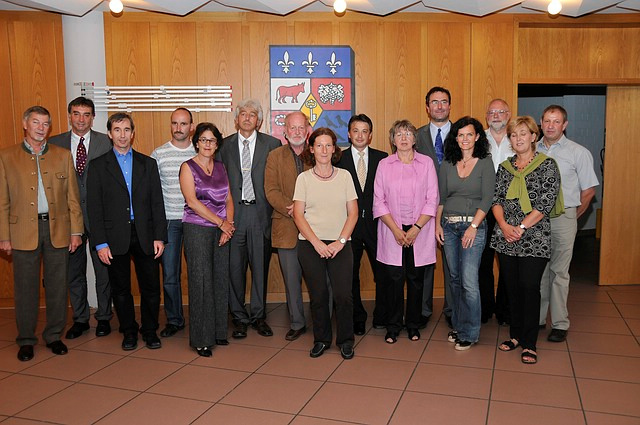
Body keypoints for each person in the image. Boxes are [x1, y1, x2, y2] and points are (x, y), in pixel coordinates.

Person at [0, 106, 83, 361]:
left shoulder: (62, 155)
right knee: (26, 288)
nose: (41, 128)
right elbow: (2, 201)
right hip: (22, 231)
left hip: (58, 230)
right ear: (25, 124)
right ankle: (26, 339)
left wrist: (76, 232)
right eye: (36, 122)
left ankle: (54, 335)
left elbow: (73, 198)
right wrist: (4, 236)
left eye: (45, 123)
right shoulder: (6, 156)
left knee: (58, 286)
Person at [87, 112, 167, 351]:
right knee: (120, 289)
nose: (122, 135)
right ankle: (129, 331)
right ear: (109, 134)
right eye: (117, 130)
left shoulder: (148, 164)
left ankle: (150, 330)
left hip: (145, 234)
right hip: (114, 237)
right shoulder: (98, 166)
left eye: (127, 130)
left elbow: (157, 203)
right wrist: (100, 243)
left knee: (151, 287)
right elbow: (94, 208)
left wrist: (159, 236)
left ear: (133, 133)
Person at [492, 115, 562, 364]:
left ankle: (529, 343)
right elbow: (496, 199)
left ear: (534, 136)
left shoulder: (547, 165)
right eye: (514, 135)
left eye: (523, 133)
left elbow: (545, 203)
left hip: (534, 237)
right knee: (511, 288)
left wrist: (521, 227)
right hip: (506, 236)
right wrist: (504, 226)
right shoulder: (505, 167)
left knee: (529, 288)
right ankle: (515, 335)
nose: (518, 138)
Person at [49, 97, 113, 339]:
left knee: (103, 270)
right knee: (74, 271)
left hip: (99, 217)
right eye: (76, 113)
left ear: (93, 118)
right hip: (68, 219)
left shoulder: (105, 142)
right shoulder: (55, 144)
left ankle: (104, 316)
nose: (81, 119)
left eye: (86, 114)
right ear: (69, 116)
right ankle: (80, 318)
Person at [293, 127, 358, 359]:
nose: (323, 150)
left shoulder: (345, 176)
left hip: (340, 244)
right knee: (319, 295)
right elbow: (298, 215)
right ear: (311, 149)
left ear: (334, 149)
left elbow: (353, 213)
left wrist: (340, 241)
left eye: (328, 145)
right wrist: (317, 243)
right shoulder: (303, 179)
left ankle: (346, 340)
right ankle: (321, 339)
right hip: (311, 245)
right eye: (319, 145)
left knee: (343, 295)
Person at [219, 98, 281, 339]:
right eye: (243, 114)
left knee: (260, 268)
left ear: (259, 121)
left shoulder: (272, 144)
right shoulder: (224, 146)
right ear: (236, 119)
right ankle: (239, 317)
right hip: (233, 215)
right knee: (234, 268)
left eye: (252, 114)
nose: (247, 118)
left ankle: (258, 316)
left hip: (260, 214)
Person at [537, 105, 599, 343]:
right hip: (535, 221)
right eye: (547, 121)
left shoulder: (578, 152)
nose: (551, 126)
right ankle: (538, 319)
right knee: (539, 271)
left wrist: (572, 216)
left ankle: (560, 323)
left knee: (559, 272)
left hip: (563, 217)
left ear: (565, 125)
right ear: (541, 123)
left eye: (556, 121)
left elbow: (589, 191)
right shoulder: (532, 149)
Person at [374, 120, 438, 344]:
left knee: (416, 279)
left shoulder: (426, 163)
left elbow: (432, 199)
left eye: (408, 134)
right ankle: (393, 326)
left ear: (414, 139)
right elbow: (378, 201)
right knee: (394, 280)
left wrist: (416, 228)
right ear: (392, 140)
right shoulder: (384, 165)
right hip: (392, 229)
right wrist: (395, 230)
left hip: (419, 229)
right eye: (399, 134)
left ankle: (413, 324)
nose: (403, 138)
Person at [435, 116, 495, 351]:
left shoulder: (485, 162)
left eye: (469, 134)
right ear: (455, 138)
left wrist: (473, 227)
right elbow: (441, 199)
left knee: (469, 282)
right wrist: (437, 225)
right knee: (455, 279)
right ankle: (459, 327)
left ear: (477, 137)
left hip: (474, 227)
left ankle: (470, 333)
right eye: (460, 135)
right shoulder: (447, 164)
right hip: (449, 227)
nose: (465, 139)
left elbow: (487, 198)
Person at [179, 122, 234, 357]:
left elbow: (229, 199)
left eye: (212, 140)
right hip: (197, 229)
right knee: (201, 282)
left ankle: (219, 331)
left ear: (217, 144)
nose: (207, 144)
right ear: (196, 143)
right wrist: (221, 223)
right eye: (203, 140)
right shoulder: (187, 167)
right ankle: (202, 339)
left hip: (221, 230)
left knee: (220, 279)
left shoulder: (221, 167)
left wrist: (228, 226)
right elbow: (192, 202)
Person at [336, 114, 388, 334]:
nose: (360, 135)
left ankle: (382, 315)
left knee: (383, 272)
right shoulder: (339, 159)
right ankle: (357, 317)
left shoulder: (382, 158)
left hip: (378, 225)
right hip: (350, 226)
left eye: (364, 131)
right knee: (351, 275)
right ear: (349, 134)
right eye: (355, 131)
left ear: (370, 135)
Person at [265, 111, 311, 341]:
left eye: (301, 127)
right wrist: (293, 209)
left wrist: (309, 209)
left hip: (316, 226)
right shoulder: (274, 156)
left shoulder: (318, 152)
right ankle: (297, 322)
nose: (297, 132)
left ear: (308, 130)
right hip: (286, 225)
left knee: (321, 280)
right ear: (284, 131)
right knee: (292, 281)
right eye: (292, 127)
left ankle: (323, 320)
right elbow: (271, 190)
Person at [150, 108, 195, 338]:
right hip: (169, 221)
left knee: (199, 273)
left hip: (197, 221)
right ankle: (174, 320)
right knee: (169, 274)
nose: (179, 128)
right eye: (175, 123)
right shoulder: (159, 154)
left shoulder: (200, 151)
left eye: (183, 123)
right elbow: (152, 192)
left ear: (191, 127)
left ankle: (200, 318)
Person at [416, 86, 453, 327]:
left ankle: (452, 310)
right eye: (434, 102)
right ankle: (423, 310)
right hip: (423, 208)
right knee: (424, 261)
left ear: (450, 105)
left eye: (444, 101)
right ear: (427, 107)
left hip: (454, 206)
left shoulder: (463, 133)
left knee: (452, 263)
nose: (439, 106)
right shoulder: (416, 136)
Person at [480, 99, 512, 325]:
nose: (496, 115)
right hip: (483, 208)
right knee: (483, 261)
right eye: (492, 112)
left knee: (507, 262)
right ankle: (484, 308)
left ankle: (505, 311)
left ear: (508, 115)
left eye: (501, 112)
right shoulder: (479, 139)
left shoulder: (517, 137)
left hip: (510, 209)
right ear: (486, 116)